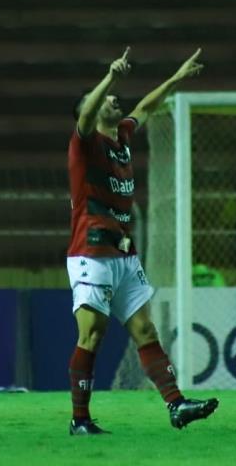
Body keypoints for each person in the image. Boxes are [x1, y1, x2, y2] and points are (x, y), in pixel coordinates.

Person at [66, 46, 218, 435]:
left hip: (122, 252)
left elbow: (148, 105)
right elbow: (85, 114)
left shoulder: (123, 137)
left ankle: (176, 405)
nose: (116, 100)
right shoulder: (85, 144)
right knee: (92, 334)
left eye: (115, 95)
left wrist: (177, 78)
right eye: (107, 98)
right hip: (91, 251)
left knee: (145, 331)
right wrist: (111, 78)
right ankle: (79, 420)